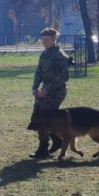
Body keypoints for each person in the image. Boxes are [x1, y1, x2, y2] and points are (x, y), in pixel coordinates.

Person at [30, 27, 70, 158]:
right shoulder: (45, 54)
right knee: (40, 116)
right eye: (43, 40)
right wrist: (35, 87)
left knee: (43, 118)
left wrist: (46, 90)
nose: (43, 42)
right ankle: (57, 141)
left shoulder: (59, 55)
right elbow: (38, 71)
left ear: (53, 40)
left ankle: (43, 149)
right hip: (44, 91)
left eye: (46, 40)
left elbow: (62, 77)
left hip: (56, 92)